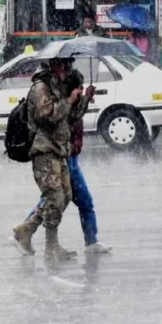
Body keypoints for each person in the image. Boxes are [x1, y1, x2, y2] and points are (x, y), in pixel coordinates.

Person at [10, 57, 89, 263]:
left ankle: (27, 229)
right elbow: (49, 115)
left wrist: (83, 99)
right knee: (54, 196)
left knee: (65, 195)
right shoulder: (41, 88)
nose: (66, 69)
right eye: (62, 65)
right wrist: (69, 100)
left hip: (59, 149)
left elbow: (70, 118)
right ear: (53, 65)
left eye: (67, 66)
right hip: (44, 149)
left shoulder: (57, 88)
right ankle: (50, 247)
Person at [47, 68, 110, 254]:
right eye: (78, 88)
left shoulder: (70, 104)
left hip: (72, 159)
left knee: (75, 201)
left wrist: (84, 99)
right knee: (55, 201)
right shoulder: (62, 105)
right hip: (67, 160)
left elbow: (76, 115)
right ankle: (25, 231)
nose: (81, 91)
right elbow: (71, 120)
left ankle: (91, 241)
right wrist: (81, 100)